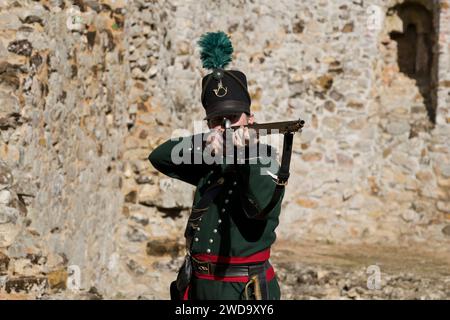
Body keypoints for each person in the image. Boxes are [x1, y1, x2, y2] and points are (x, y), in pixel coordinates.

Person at [148, 31, 285, 300]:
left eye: (233, 117)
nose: (226, 125)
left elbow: (261, 204)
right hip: (198, 286)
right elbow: (159, 156)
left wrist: (246, 153)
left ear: (250, 119)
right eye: (216, 120)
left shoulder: (265, 158)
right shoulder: (209, 158)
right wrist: (203, 142)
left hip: (245, 290)